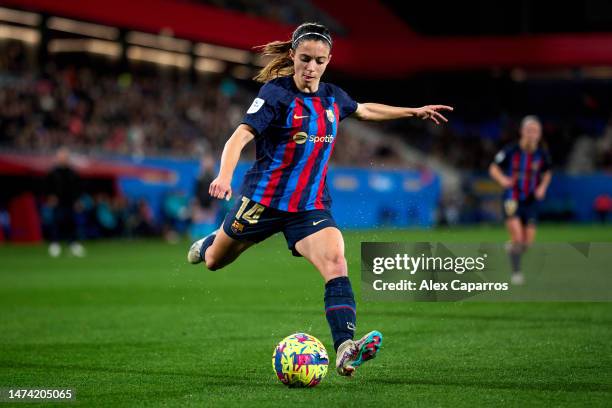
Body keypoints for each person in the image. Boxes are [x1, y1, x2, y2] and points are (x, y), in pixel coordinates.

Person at [187, 22, 453, 376]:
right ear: (293, 57)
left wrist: (412, 111)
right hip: (262, 202)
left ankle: (345, 346)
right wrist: (224, 175)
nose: (311, 67)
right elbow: (239, 137)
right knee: (214, 262)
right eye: (305, 59)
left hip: (309, 206)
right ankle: (212, 242)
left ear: (329, 61)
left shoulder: (332, 97)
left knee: (336, 263)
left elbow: (365, 110)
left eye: (319, 61)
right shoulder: (275, 94)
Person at [489, 116, 552, 285]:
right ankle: (516, 273)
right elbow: (493, 167)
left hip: (530, 201)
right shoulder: (511, 151)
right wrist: (503, 180)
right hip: (512, 198)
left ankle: (512, 248)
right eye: (529, 130)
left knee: (527, 243)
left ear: (539, 134)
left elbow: (547, 172)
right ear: (522, 132)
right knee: (517, 238)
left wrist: (542, 188)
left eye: (536, 131)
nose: (532, 134)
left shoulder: (542, 154)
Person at [45, 146, 85, 257]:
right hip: (57, 202)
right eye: (62, 156)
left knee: (71, 223)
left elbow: (78, 188)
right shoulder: (53, 173)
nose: (64, 159)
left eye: (65, 156)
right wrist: (50, 196)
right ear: (58, 158)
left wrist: (77, 200)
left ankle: (72, 244)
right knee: (56, 222)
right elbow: (47, 187)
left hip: (70, 202)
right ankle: (55, 244)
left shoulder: (73, 173)